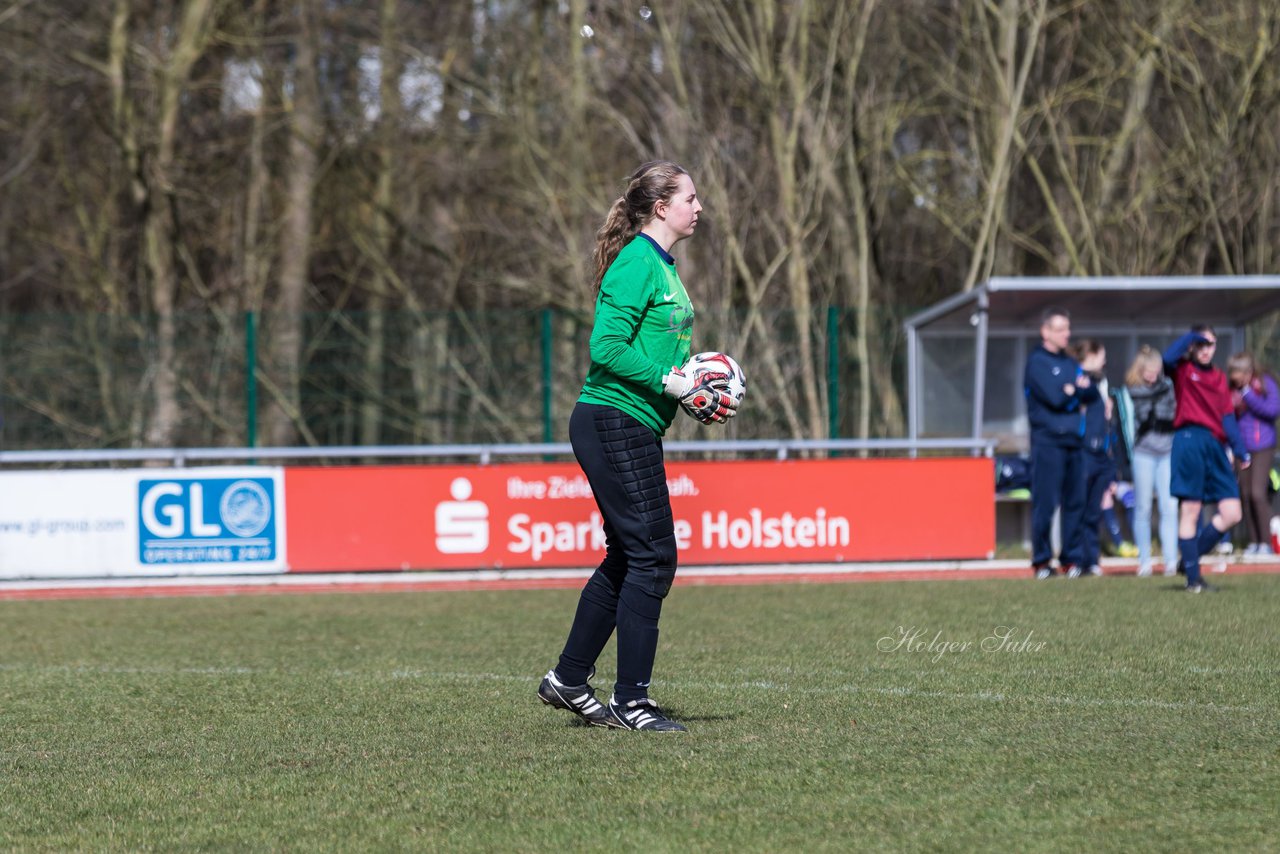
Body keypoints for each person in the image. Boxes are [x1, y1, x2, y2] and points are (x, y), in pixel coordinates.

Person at [536, 160, 736, 732]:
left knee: (630, 556)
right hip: (610, 420)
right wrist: (676, 382)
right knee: (654, 557)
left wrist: (697, 390)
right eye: (691, 198)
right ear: (661, 208)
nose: (699, 207)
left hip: (632, 423)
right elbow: (606, 348)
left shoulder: (664, 268)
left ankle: (569, 679)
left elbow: (654, 358)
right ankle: (633, 703)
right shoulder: (636, 263)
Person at [1163, 326, 1249, 592]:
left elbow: (1227, 417)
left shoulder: (1220, 378)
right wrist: (1191, 338)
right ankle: (1193, 579)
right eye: (1200, 344)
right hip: (1189, 441)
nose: (1205, 349)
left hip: (1215, 445)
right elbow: (1167, 358)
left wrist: (1240, 448)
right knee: (1191, 510)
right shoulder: (1183, 370)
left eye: (1210, 344)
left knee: (1233, 512)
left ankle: (1188, 560)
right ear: (1192, 346)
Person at [1024, 307, 1099, 579]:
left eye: (1068, 328)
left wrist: (1075, 390)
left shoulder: (1069, 362)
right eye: (1061, 329)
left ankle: (1071, 559)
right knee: (1046, 503)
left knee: (1075, 502)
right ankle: (1042, 561)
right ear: (1045, 332)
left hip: (1074, 443)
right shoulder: (1037, 363)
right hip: (1048, 443)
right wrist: (1074, 392)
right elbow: (1054, 398)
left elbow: (1091, 391)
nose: (1067, 334)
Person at [1120, 346, 1179, 577]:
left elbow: (1174, 413)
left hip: (1167, 452)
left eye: (1156, 371)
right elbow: (1128, 424)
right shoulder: (1132, 390)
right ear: (1140, 369)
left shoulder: (1168, 387)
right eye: (1148, 371)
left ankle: (1171, 560)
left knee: (1169, 507)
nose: (1153, 375)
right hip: (1143, 454)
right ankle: (1144, 560)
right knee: (1143, 507)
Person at [1067, 339, 1117, 577]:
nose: (1105, 361)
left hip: (1102, 453)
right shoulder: (1077, 377)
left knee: (1094, 510)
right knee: (1078, 507)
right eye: (1102, 356)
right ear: (1092, 355)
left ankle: (1091, 559)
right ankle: (1075, 559)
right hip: (1083, 452)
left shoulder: (1101, 381)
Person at [1227, 352, 1280, 556]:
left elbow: (1272, 410)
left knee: (1258, 493)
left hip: (1263, 445)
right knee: (1246, 495)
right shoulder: (1232, 390)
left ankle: (1266, 542)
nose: (1234, 377)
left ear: (1248, 372)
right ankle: (1254, 542)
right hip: (1242, 447)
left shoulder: (1265, 383)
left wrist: (1248, 395)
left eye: (1237, 372)